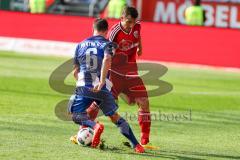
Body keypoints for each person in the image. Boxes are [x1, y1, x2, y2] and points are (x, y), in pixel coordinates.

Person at [68, 18, 144, 153]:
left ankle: (94, 126)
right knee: (115, 117)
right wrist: (102, 81)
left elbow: (75, 71)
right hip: (103, 88)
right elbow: (107, 59)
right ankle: (136, 145)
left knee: (75, 115)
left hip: (84, 85)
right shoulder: (109, 44)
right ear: (106, 31)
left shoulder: (81, 44)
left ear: (93, 29)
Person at [88, 7, 151, 145]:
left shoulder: (137, 26)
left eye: (133, 22)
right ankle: (84, 128)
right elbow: (106, 52)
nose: (131, 25)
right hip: (114, 74)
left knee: (144, 102)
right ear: (121, 18)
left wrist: (140, 47)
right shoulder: (114, 32)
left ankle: (145, 139)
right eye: (128, 22)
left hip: (131, 73)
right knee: (102, 103)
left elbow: (138, 34)